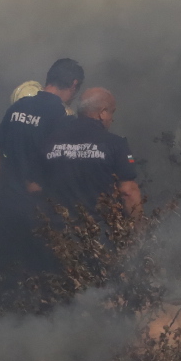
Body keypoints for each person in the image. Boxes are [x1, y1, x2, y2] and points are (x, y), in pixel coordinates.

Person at [0, 58, 84, 282]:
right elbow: (62, 165)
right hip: (39, 211)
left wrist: (6, 180)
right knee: (40, 279)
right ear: (74, 84)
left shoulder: (17, 107)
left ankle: (3, 316)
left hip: (7, 206)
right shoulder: (61, 116)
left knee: (8, 278)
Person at [38, 87, 141, 277]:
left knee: (63, 294)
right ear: (102, 113)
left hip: (58, 235)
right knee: (103, 291)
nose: (112, 119)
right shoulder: (114, 144)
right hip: (100, 234)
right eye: (112, 113)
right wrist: (137, 232)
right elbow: (128, 191)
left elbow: (35, 187)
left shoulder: (50, 142)